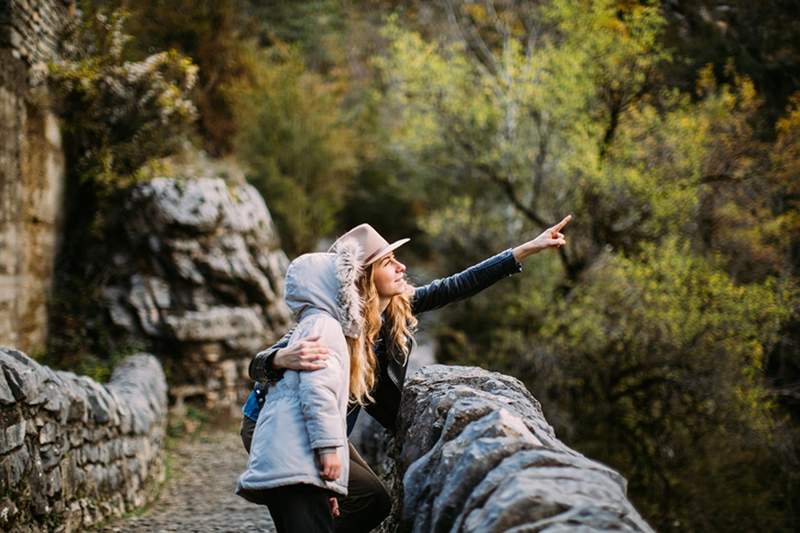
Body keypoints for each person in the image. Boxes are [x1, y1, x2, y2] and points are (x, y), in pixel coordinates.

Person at [241, 216, 572, 532]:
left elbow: (456, 286)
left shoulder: (394, 308)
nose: (402, 267)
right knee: (325, 499)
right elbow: (256, 367)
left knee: (371, 500)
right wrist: (281, 357)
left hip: (325, 424)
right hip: (276, 424)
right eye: (388, 262)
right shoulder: (327, 325)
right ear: (365, 278)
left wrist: (527, 248)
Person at [235, 237, 369, 533]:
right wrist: (328, 449)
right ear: (329, 288)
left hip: (290, 463)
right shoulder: (324, 326)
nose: (354, 290)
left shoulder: (311, 325)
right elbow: (317, 392)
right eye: (346, 283)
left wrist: (329, 486)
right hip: (299, 464)